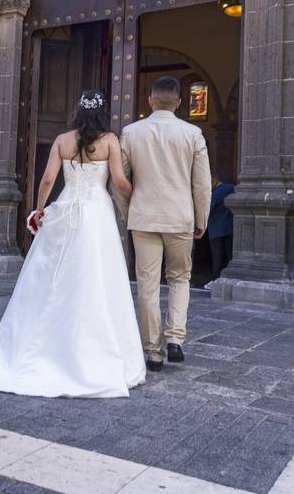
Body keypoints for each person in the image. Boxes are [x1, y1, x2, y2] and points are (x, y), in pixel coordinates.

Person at [0, 90, 146, 398]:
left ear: (77, 112)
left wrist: (40, 210)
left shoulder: (62, 140)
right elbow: (119, 181)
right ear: (103, 112)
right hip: (97, 213)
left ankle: (41, 346)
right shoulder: (109, 140)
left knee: (53, 277)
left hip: (66, 210)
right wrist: (137, 197)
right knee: (95, 276)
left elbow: (48, 179)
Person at [118, 77, 212, 371]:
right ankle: (175, 339)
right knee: (180, 279)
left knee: (147, 285)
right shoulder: (192, 133)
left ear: (150, 100)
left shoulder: (131, 132)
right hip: (180, 217)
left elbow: (120, 182)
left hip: (143, 218)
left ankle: (153, 352)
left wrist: (127, 213)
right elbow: (202, 184)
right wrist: (202, 218)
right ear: (179, 103)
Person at [208, 177, 235, 279]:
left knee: (217, 258)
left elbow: (207, 209)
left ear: (213, 181)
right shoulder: (231, 187)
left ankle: (216, 279)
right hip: (230, 228)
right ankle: (229, 278)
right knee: (229, 257)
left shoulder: (214, 194)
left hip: (216, 230)